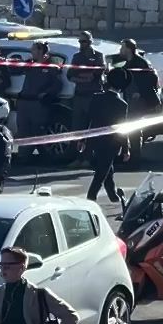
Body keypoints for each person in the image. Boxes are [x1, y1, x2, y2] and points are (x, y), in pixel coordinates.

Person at [84, 68, 131, 204]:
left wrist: (83, 138)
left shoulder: (96, 98)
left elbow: (88, 119)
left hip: (95, 138)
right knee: (102, 171)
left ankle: (112, 194)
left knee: (106, 167)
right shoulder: (122, 105)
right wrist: (126, 148)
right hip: (112, 143)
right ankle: (91, 196)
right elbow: (122, 128)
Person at [15, 40, 62, 139]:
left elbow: (58, 85)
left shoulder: (50, 67)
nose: (31, 52)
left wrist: (46, 93)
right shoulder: (30, 65)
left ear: (40, 51)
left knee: (37, 132)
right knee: (22, 132)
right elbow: (15, 69)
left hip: (38, 103)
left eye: (34, 49)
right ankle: (23, 150)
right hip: (24, 102)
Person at [67, 32, 104, 133]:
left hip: (93, 96)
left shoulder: (98, 56)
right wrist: (84, 78)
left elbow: (97, 73)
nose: (81, 44)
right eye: (80, 41)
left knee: (93, 125)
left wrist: (82, 75)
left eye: (83, 41)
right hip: (79, 95)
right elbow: (70, 75)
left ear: (90, 42)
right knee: (77, 126)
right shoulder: (77, 57)